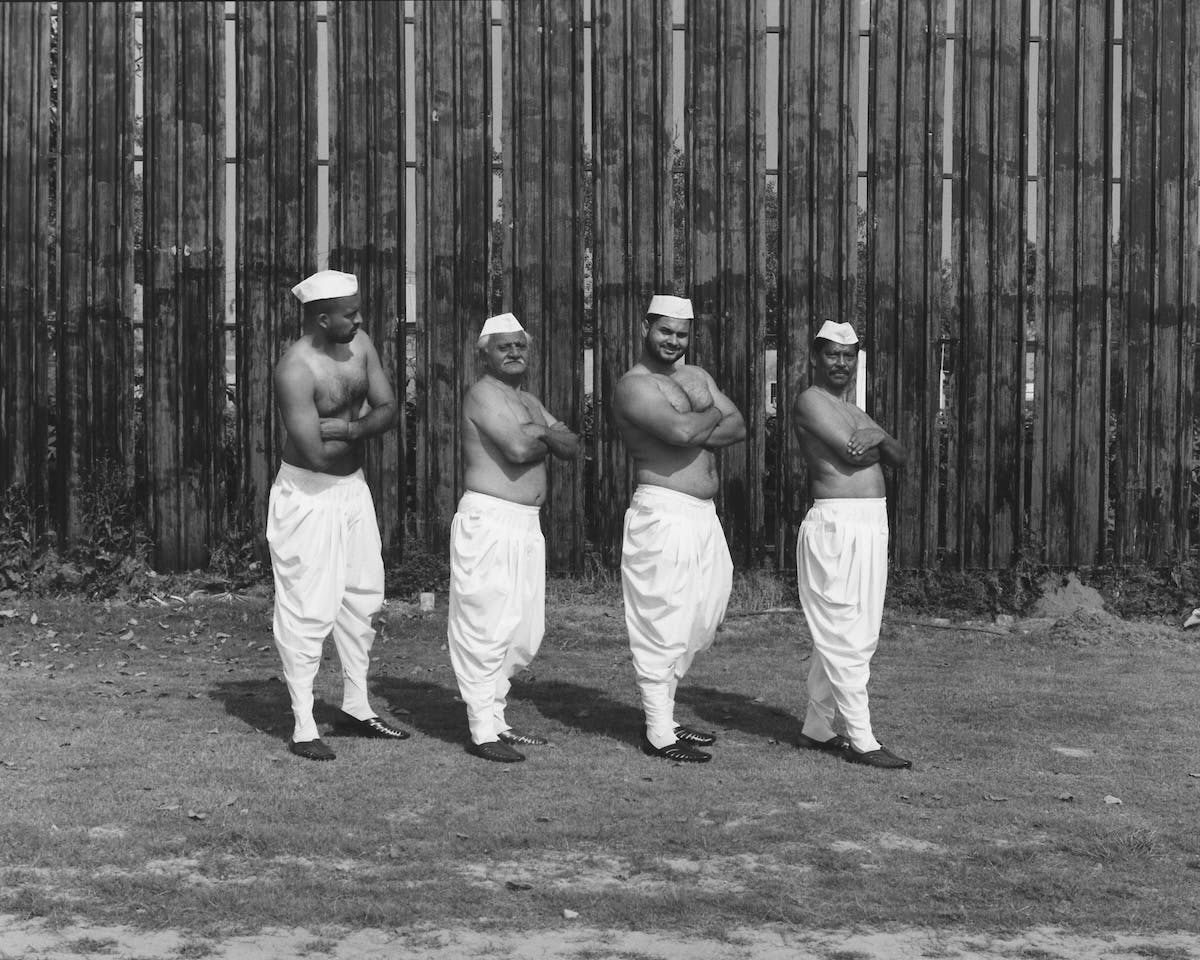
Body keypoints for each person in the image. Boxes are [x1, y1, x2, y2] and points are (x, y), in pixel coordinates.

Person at [267, 269, 409, 761]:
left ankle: (356, 705)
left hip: (353, 490)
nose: (359, 319)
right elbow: (314, 452)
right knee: (307, 605)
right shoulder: (295, 369)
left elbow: (390, 407)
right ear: (321, 318)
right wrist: (357, 428)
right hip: (308, 495)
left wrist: (349, 431)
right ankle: (304, 723)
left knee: (362, 597)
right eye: (350, 314)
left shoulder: (361, 344)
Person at [612, 295, 746, 763]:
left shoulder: (696, 376)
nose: (673, 341)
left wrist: (693, 421)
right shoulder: (635, 385)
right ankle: (657, 732)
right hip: (663, 511)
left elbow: (740, 426)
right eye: (665, 331)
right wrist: (706, 416)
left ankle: (665, 716)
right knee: (662, 618)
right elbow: (685, 434)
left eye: (682, 334)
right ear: (645, 326)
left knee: (700, 615)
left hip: (703, 516)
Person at [448, 312, 580, 764]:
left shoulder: (527, 401)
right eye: (503, 346)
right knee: (487, 624)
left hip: (526, 525)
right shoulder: (481, 395)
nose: (513, 353)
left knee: (523, 630)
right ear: (483, 353)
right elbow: (520, 449)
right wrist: (544, 433)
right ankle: (481, 729)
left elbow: (572, 445)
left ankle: (498, 718)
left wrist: (538, 430)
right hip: (490, 521)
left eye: (520, 346)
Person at [790, 319, 911, 769]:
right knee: (845, 631)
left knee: (852, 629)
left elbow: (900, 457)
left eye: (848, 355)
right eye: (832, 355)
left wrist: (879, 436)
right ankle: (862, 739)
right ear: (815, 358)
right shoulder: (811, 401)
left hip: (871, 525)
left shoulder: (857, 411)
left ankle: (817, 727)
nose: (841, 363)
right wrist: (879, 442)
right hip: (836, 526)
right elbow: (850, 453)